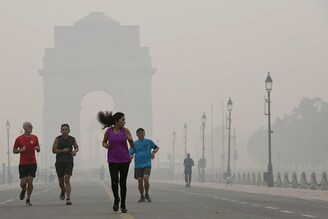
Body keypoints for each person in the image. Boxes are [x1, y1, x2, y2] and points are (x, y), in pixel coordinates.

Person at [97, 111, 134, 213]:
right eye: (122, 120)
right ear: (116, 121)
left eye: (124, 120)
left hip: (124, 159)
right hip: (113, 159)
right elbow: (103, 142)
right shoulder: (108, 131)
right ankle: (116, 199)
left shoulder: (126, 131)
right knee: (114, 181)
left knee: (123, 183)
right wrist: (105, 145)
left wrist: (130, 140)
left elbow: (133, 146)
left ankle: (123, 204)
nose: (124, 122)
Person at [13, 122, 40, 206]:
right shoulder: (19, 139)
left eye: (32, 126)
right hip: (23, 163)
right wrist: (20, 150)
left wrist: (37, 148)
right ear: (25, 128)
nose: (32, 128)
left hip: (32, 163)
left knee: (30, 181)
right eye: (30, 127)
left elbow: (39, 149)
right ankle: (24, 189)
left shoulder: (35, 138)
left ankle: (28, 199)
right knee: (23, 183)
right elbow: (14, 150)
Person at [52, 124, 79, 205]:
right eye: (63, 129)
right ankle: (63, 190)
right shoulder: (58, 139)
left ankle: (68, 198)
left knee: (67, 179)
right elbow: (53, 150)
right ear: (60, 131)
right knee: (61, 181)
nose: (64, 131)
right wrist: (62, 151)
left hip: (69, 161)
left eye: (66, 129)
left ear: (69, 130)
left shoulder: (72, 139)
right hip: (59, 162)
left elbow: (77, 147)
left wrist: (75, 151)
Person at [129, 128, 159, 203]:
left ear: (144, 134)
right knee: (140, 181)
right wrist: (130, 156)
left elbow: (156, 147)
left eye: (142, 133)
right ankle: (142, 195)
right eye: (139, 133)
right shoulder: (134, 143)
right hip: (138, 166)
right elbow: (130, 153)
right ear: (136, 135)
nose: (141, 134)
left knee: (146, 179)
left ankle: (147, 193)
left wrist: (153, 152)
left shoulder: (149, 142)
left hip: (147, 164)